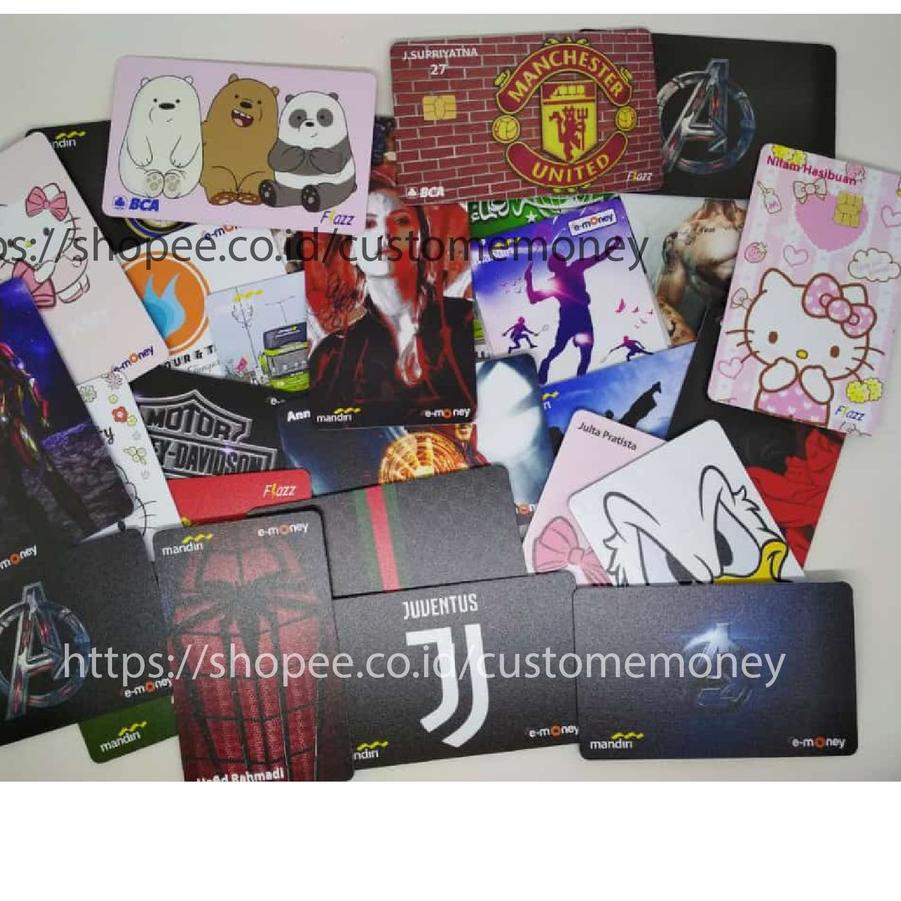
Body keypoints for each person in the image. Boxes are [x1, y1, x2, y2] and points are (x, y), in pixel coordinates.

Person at [0, 336, 95, 539]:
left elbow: (26, 379)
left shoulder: (2, 352)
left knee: (48, 474)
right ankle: (45, 537)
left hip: (15, 427)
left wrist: (41, 409)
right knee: (13, 492)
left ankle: (86, 524)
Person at [525, 247, 605, 383]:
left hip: (573, 318)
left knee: (565, 349)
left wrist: (528, 280)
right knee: (582, 353)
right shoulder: (572, 270)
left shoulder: (563, 276)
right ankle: (574, 376)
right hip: (578, 318)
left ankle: (552, 364)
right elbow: (599, 257)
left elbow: (533, 298)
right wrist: (528, 280)